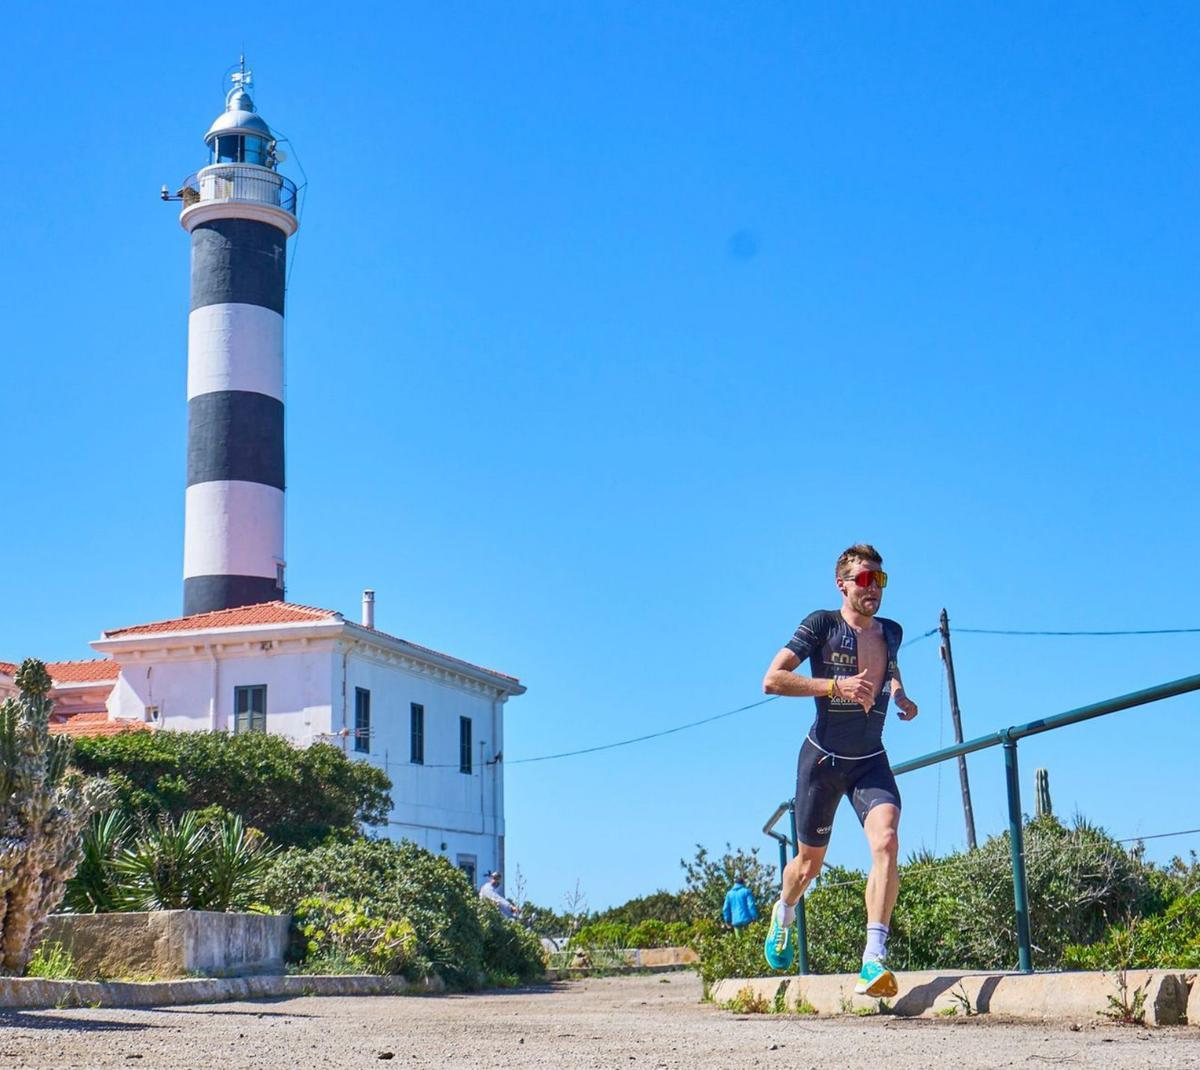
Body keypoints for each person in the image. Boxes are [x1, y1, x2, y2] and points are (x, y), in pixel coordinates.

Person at [760, 543, 918, 997]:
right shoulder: (821, 625)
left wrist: (900, 694)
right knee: (808, 866)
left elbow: (891, 669)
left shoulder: (892, 632)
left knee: (887, 841)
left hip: (870, 759)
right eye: (865, 579)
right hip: (823, 761)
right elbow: (772, 679)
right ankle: (784, 910)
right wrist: (835, 686)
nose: (874, 588)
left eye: (880, 580)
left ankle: (873, 959)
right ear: (842, 584)